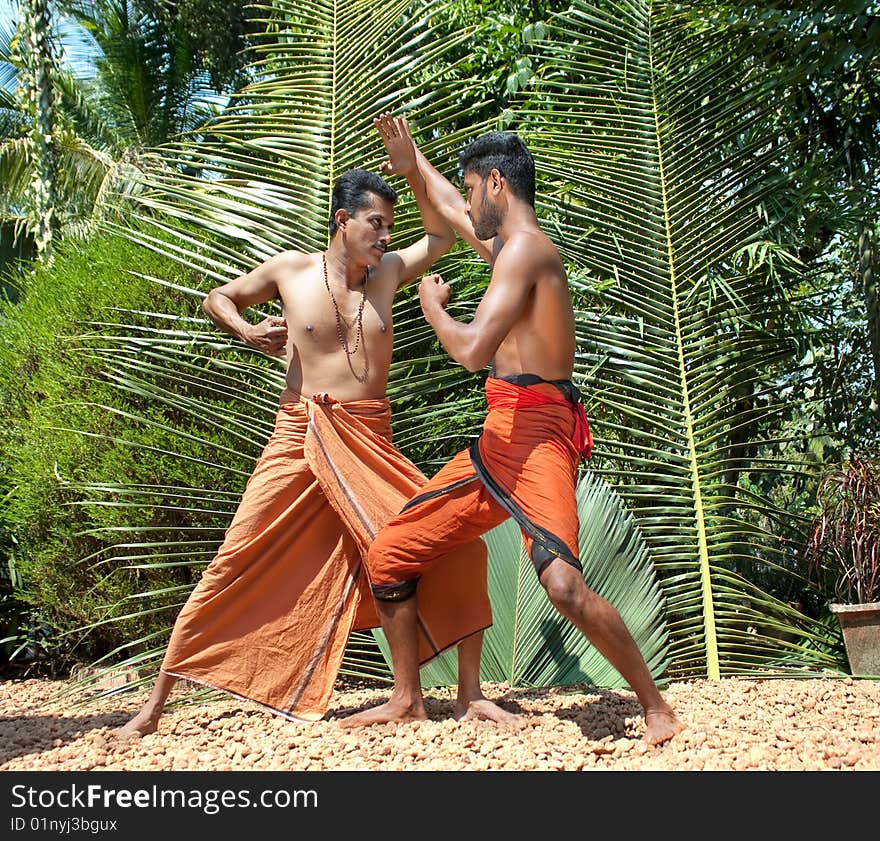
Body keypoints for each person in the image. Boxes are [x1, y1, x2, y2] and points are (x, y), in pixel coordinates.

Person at [117, 119, 515, 738]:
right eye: (374, 224)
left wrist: (410, 166)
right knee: (235, 559)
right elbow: (218, 298)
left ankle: (467, 695)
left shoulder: (387, 277)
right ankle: (156, 703)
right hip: (299, 437)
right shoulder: (290, 272)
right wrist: (246, 332)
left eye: (388, 225)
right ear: (341, 221)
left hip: (368, 441)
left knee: (458, 544)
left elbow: (439, 234)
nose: (385, 236)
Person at [339, 115, 685, 746]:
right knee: (391, 554)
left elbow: (472, 351)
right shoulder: (511, 248)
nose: (469, 205)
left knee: (561, 582)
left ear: (496, 183)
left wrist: (435, 310)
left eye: (475, 191)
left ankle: (655, 703)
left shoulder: (525, 251)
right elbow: (448, 204)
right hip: (499, 435)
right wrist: (413, 161)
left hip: (540, 434)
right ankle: (407, 699)